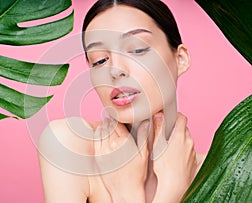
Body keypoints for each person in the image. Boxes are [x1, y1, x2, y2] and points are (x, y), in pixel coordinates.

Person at [38, 0, 206, 202]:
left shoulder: (225, 171)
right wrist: (166, 190)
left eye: (137, 50)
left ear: (180, 58)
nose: (115, 70)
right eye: (100, 60)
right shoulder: (70, 145)